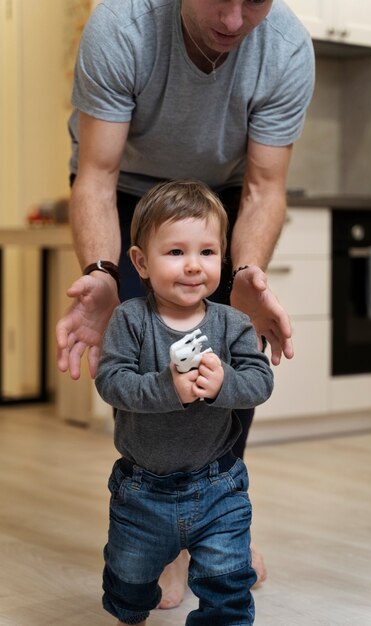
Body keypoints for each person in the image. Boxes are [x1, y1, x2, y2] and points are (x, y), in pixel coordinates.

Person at [56, 0, 315, 607]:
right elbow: (96, 172)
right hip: (130, 192)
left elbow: (264, 185)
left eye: (253, 2)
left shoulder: (285, 48)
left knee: (229, 343)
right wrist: (102, 272)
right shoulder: (122, 25)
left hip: (220, 199)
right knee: (149, 349)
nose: (232, 18)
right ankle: (158, 527)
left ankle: (216, 521)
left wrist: (246, 272)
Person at [95, 179, 274, 625]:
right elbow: (111, 382)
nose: (194, 266)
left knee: (227, 580)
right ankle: (128, 608)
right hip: (142, 490)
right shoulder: (130, 319)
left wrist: (224, 384)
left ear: (224, 258)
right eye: (176, 253)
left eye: (207, 253)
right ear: (141, 262)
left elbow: (260, 382)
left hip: (219, 483)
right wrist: (167, 388)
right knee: (129, 581)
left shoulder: (233, 323)